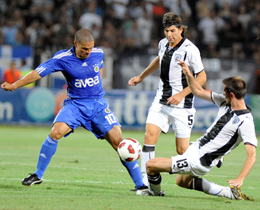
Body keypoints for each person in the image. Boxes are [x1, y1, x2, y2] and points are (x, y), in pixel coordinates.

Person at [1, 29, 147, 191]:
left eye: (90, 48)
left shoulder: (98, 54)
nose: (88, 52)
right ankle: (38, 175)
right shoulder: (62, 59)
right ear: (75, 44)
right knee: (55, 133)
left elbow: (98, 68)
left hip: (98, 106)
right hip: (76, 105)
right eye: (84, 49)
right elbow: (38, 73)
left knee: (121, 144)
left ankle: (141, 185)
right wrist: (15, 85)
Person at [137, 59, 257, 200]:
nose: (221, 93)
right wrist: (188, 74)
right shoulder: (225, 102)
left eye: (224, 91)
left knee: (150, 165)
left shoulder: (245, 121)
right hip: (195, 148)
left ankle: (154, 192)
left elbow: (252, 154)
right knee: (181, 182)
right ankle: (227, 193)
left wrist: (240, 178)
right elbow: (198, 91)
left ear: (231, 94)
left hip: (199, 160)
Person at [128, 12, 207, 188]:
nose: (169, 34)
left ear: (181, 29)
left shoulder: (191, 50)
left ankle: (203, 151)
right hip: (161, 100)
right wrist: (141, 76)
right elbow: (159, 60)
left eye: (172, 30)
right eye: (166, 30)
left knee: (182, 151)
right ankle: (146, 182)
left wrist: (181, 95)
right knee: (149, 136)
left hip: (182, 105)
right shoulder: (163, 43)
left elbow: (202, 78)